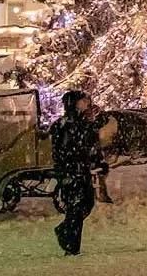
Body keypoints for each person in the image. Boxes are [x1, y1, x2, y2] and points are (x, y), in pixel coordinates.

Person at [50, 91, 103, 256]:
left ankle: (65, 232)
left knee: (86, 204)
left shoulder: (85, 123)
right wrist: (66, 169)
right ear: (74, 103)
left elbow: (92, 145)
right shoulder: (64, 124)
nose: (87, 102)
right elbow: (59, 150)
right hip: (71, 171)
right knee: (76, 208)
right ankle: (72, 247)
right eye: (83, 100)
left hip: (83, 170)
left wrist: (98, 162)